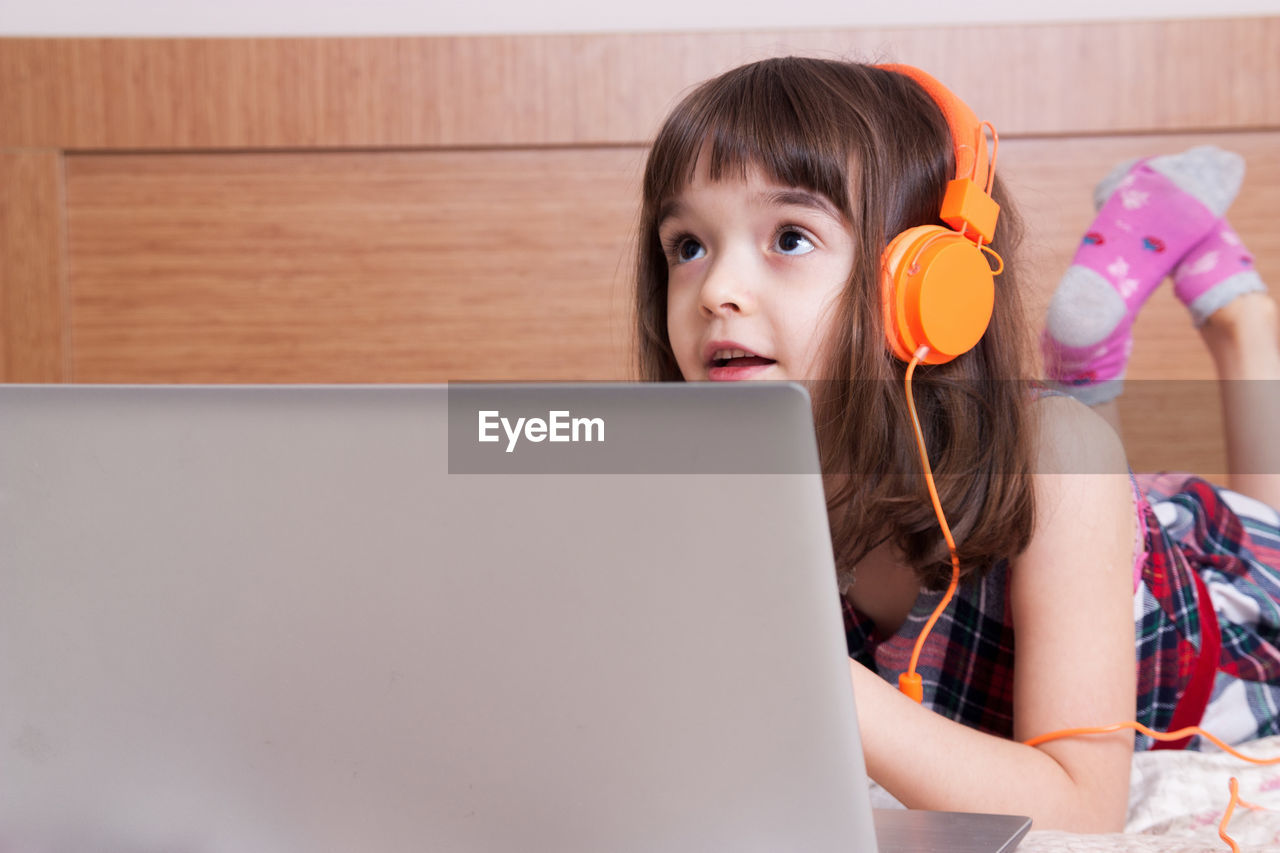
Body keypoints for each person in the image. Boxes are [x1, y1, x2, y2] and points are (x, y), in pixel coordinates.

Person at [632, 56, 1280, 833]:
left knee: (1248, 516)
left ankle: (1241, 320)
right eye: (687, 247)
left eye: (792, 237)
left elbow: (1084, 810)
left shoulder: (1055, 466)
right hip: (1092, 518)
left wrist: (812, 677)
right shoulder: (717, 487)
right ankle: (1088, 365)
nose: (714, 291)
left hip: (1218, 615)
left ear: (930, 285)